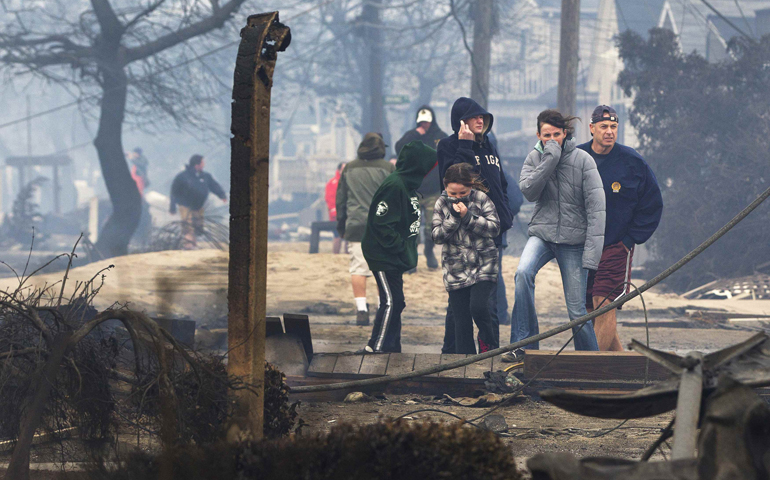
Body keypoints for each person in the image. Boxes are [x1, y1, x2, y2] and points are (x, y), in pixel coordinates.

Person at [503, 109, 605, 361]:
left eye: (556, 135)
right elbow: (528, 192)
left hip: (574, 241)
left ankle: (590, 359)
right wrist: (549, 159)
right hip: (542, 234)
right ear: (538, 135)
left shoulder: (583, 160)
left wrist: (592, 256)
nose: (552, 139)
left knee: (576, 309)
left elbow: (597, 208)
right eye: (546, 135)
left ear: (565, 133)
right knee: (522, 274)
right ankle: (523, 347)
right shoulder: (534, 158)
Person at [577, 105, 663, 351]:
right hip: (582, 247)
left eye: (613, 127)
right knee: (589, 310)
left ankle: (590, 372)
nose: (609, 132)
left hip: (616, 246)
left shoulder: (632, 161)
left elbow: (652, 203)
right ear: (591, 128)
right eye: (603, 126)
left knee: (605, 303)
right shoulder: (577, 157)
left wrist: (630, 239)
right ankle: (622, 363)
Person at [437, 97, 513, 353]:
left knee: (485, 302)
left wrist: (505, 216)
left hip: (490, 232)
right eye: (474, 117)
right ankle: (453, 355)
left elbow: (499, 183)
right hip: (460, 234)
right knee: (458, 302)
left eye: (483, 117)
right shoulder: (448, 145)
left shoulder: (489, 144)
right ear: (460, 122)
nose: (481, 120)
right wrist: (465, 145)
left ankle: (490, 353)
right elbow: (452, 181)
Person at [359, 141, 437, 353]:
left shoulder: (409, 186)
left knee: (398, 302)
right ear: (416, 165)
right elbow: (381, 224)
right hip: (383, 255)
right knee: (391, 302)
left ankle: (392, 347)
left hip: (395, 256)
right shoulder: (394, 185)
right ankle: (375, 348)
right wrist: (402, 248)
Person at [432, 163, 500, 354]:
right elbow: (436, 236)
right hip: (455, 268)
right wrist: (453, 218)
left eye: (463, 193)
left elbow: (494, 228)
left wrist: (468, 217)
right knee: (461, 321)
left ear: (471, 186)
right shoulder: (441, 203)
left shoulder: (481, 199)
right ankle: (465, 361)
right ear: (445, 186)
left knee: (478, 307)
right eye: (453, 193)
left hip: (483, 264)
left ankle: (488, 342)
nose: (458, 197)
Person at [336, 134, 395, 326]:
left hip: (356, 226)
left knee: (358, 269)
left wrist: (342, 224)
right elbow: (396, 197)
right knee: (382, 269)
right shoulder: (388, 168)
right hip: (382, 226)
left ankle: (361, 310)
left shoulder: (349, 168)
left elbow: (341, 199)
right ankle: (381, 308)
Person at [396, 105, 448, 270]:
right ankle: (412, 258)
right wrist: (414, 134)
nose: (425, 125)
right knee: (413, 226)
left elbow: (450, 154)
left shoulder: (440, 137)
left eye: (427, 122)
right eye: (422, 122)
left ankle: (429, 251)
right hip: (415, 190)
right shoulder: (412, 135)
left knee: (432, 227)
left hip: (433, 190)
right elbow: (399, 148)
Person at [169, 154, 227, 249]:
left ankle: (193, 244)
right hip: (185, 205)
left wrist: (222, 195)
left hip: (198, 206)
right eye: (202, 163)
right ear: (197, 164)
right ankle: (188, 245)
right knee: (188, 225)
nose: (204, 165)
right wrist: (172, 206)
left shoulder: (206, 176)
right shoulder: (182, 176)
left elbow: (214, 186)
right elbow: (174, 192)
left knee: (198, 226)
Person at [325, 162, 345, 255]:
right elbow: (330, 198)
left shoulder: (350, 182)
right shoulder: (332, 183)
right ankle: (335, 255)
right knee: (337, 236)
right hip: (336, 216)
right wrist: (334, 212)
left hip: (349, 215)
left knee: (349, 238)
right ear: (339, 170)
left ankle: (347, 255)